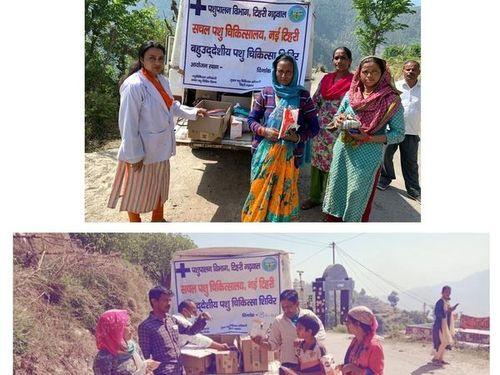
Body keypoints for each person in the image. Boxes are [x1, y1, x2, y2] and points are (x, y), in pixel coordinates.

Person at [108, 41, 207, 222]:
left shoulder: (162, 81)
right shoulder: (134, 86)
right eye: (152, 58)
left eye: (160, 59)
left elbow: (171, 105)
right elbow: (127, 124)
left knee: (159, 186)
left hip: (160, 147)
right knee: (135, 191)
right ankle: (135, 223)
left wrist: (193, 112)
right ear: (142, 60)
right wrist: (134, 155)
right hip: (142, 152)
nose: (157, 63)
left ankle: (158, 219)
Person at [322, 56, 405, 222]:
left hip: (367, 155)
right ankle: (333, 222)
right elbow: (338, 114)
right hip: (343, 150)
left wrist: (368, 137)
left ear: (383, 74)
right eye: (365, 72)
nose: (369, 75)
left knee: (357, 193)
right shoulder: (351, 94)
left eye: (375, 72)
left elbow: (399, 134)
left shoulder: (391, 100)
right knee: (337, 187)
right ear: (359, 73)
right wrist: (339, 119)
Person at [241, 54, 319, 222]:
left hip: (290, 156)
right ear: (274, 71)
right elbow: (251, 119)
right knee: (259, 194)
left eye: (288, 72)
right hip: (264, 155)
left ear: (295, 73)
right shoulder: (266, 93)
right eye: (280, 71)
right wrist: (263, 131)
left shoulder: (303, 97)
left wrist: (297, 137)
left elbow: (314, 128)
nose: (284, 76)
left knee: (282, 196)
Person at [301, 47, 354, 211]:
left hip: (340, 131)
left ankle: (330, 203)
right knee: (317, 165)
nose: (340, 61)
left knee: (335, 167)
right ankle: (315, 197)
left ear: (350, 61)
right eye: (337, 58)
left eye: (343, 58)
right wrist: (306, 119)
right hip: (321, 130)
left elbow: (355, 106)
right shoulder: (326, 79)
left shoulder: (354, 82)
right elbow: (316, 101)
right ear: (333, 60)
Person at [138, 286, 209, 374]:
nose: (169, 303)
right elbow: (145, 355)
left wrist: (201, 319)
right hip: (164, 371)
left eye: (169, 300)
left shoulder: (171, 320)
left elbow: (190, 331)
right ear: (154, 301)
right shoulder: (146, 326)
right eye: (165, 300)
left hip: (179, 369)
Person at [378, 60, 421, 201]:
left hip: (412, 131)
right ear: (403, 70)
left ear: (419, 72)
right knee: (386, 157)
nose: (410, 72)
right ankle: (384, 179)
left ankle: (413, 190)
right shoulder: (394, 87)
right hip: (393, 130)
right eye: (408, 69)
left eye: (414, 69)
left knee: (411, 162)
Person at [252, 289, 326, 371]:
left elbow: (321, 333)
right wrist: (261, 343)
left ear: (297, 304)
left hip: (310, 363)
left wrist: (305, 341)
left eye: (289, 307)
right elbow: (273, 345)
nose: (286, 310)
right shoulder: (279, 321)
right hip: (289, 363)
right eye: (284, 307)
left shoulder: (308, 315)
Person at [93, 309, 159, 375]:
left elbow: (143, 366)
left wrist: (148, 371)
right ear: (115, 329)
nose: (132, 329)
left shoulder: (132, 347)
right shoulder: (104, 358)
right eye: (127, 325)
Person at [338, 306, 384, 375]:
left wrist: (352, 368)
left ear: (358, 324)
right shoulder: (355, 341)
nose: (346, 324)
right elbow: (354, 362)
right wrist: (344, 366)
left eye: (348, 322)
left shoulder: (374, 346)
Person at [432, 286, 459, 366]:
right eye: (447, 292)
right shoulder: (440, 302)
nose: (448, 293)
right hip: (439, 325)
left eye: (449, 292)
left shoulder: (446, 302)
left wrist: (452, 310)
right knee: (443, 342)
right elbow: (438, 313)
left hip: (445, 326)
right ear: (442, 292)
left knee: (445, 342)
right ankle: (435, 359)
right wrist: (447, 311)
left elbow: (448, 312)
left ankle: (440, 359)